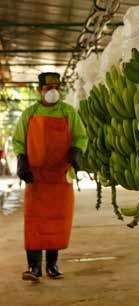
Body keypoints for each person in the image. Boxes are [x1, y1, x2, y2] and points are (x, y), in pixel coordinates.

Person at [13, 72, 88, 282]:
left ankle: (52, 265)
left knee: (58, 221)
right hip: (35, 178)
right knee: (35, 221)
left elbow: (81, 136)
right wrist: (22, 161)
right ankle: (34, 267)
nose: (52, 91)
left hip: (60, 177)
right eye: (48, 88)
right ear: (39, 90)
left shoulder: (68, 112)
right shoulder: (30, 113)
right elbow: (18, 140)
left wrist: (76, 151)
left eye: (56, 87)